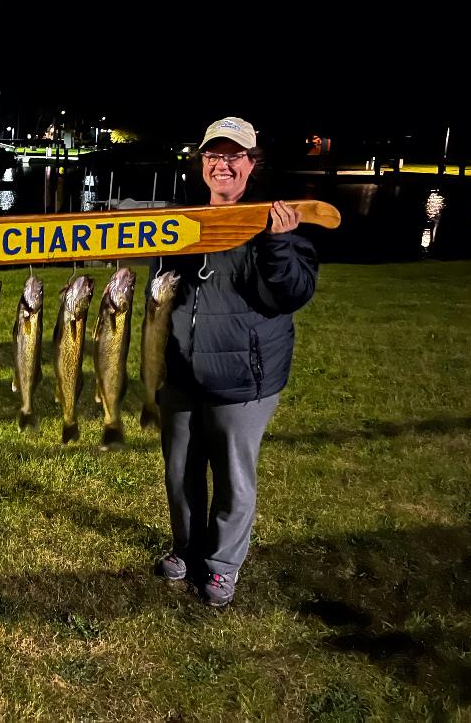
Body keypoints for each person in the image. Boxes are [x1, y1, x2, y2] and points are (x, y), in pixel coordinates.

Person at [151, 116, 317, 608]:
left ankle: (222, 565)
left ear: (251, 164)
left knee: (232, 475)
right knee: (180, 471)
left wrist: (278, 244)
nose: (222, 165)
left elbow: (291, 294)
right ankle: (187, 549)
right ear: (201, 162)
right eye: (212, 155)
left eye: (233, 156)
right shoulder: (179, 223)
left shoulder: (276, 221)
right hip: (181, 373)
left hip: (245, 377)